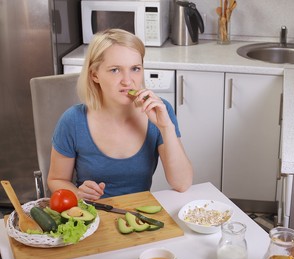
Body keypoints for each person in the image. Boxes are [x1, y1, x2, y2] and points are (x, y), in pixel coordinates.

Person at [47, 29, 193, 200]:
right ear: (95, 75)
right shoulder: (73, 121)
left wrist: (166, 127)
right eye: (115, 70)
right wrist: (78, 193)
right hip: (93, 217)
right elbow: (56, 179)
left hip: (140, 216)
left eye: (135, 69)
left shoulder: (160, 111)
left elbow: (182, 184)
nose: (127, 80)